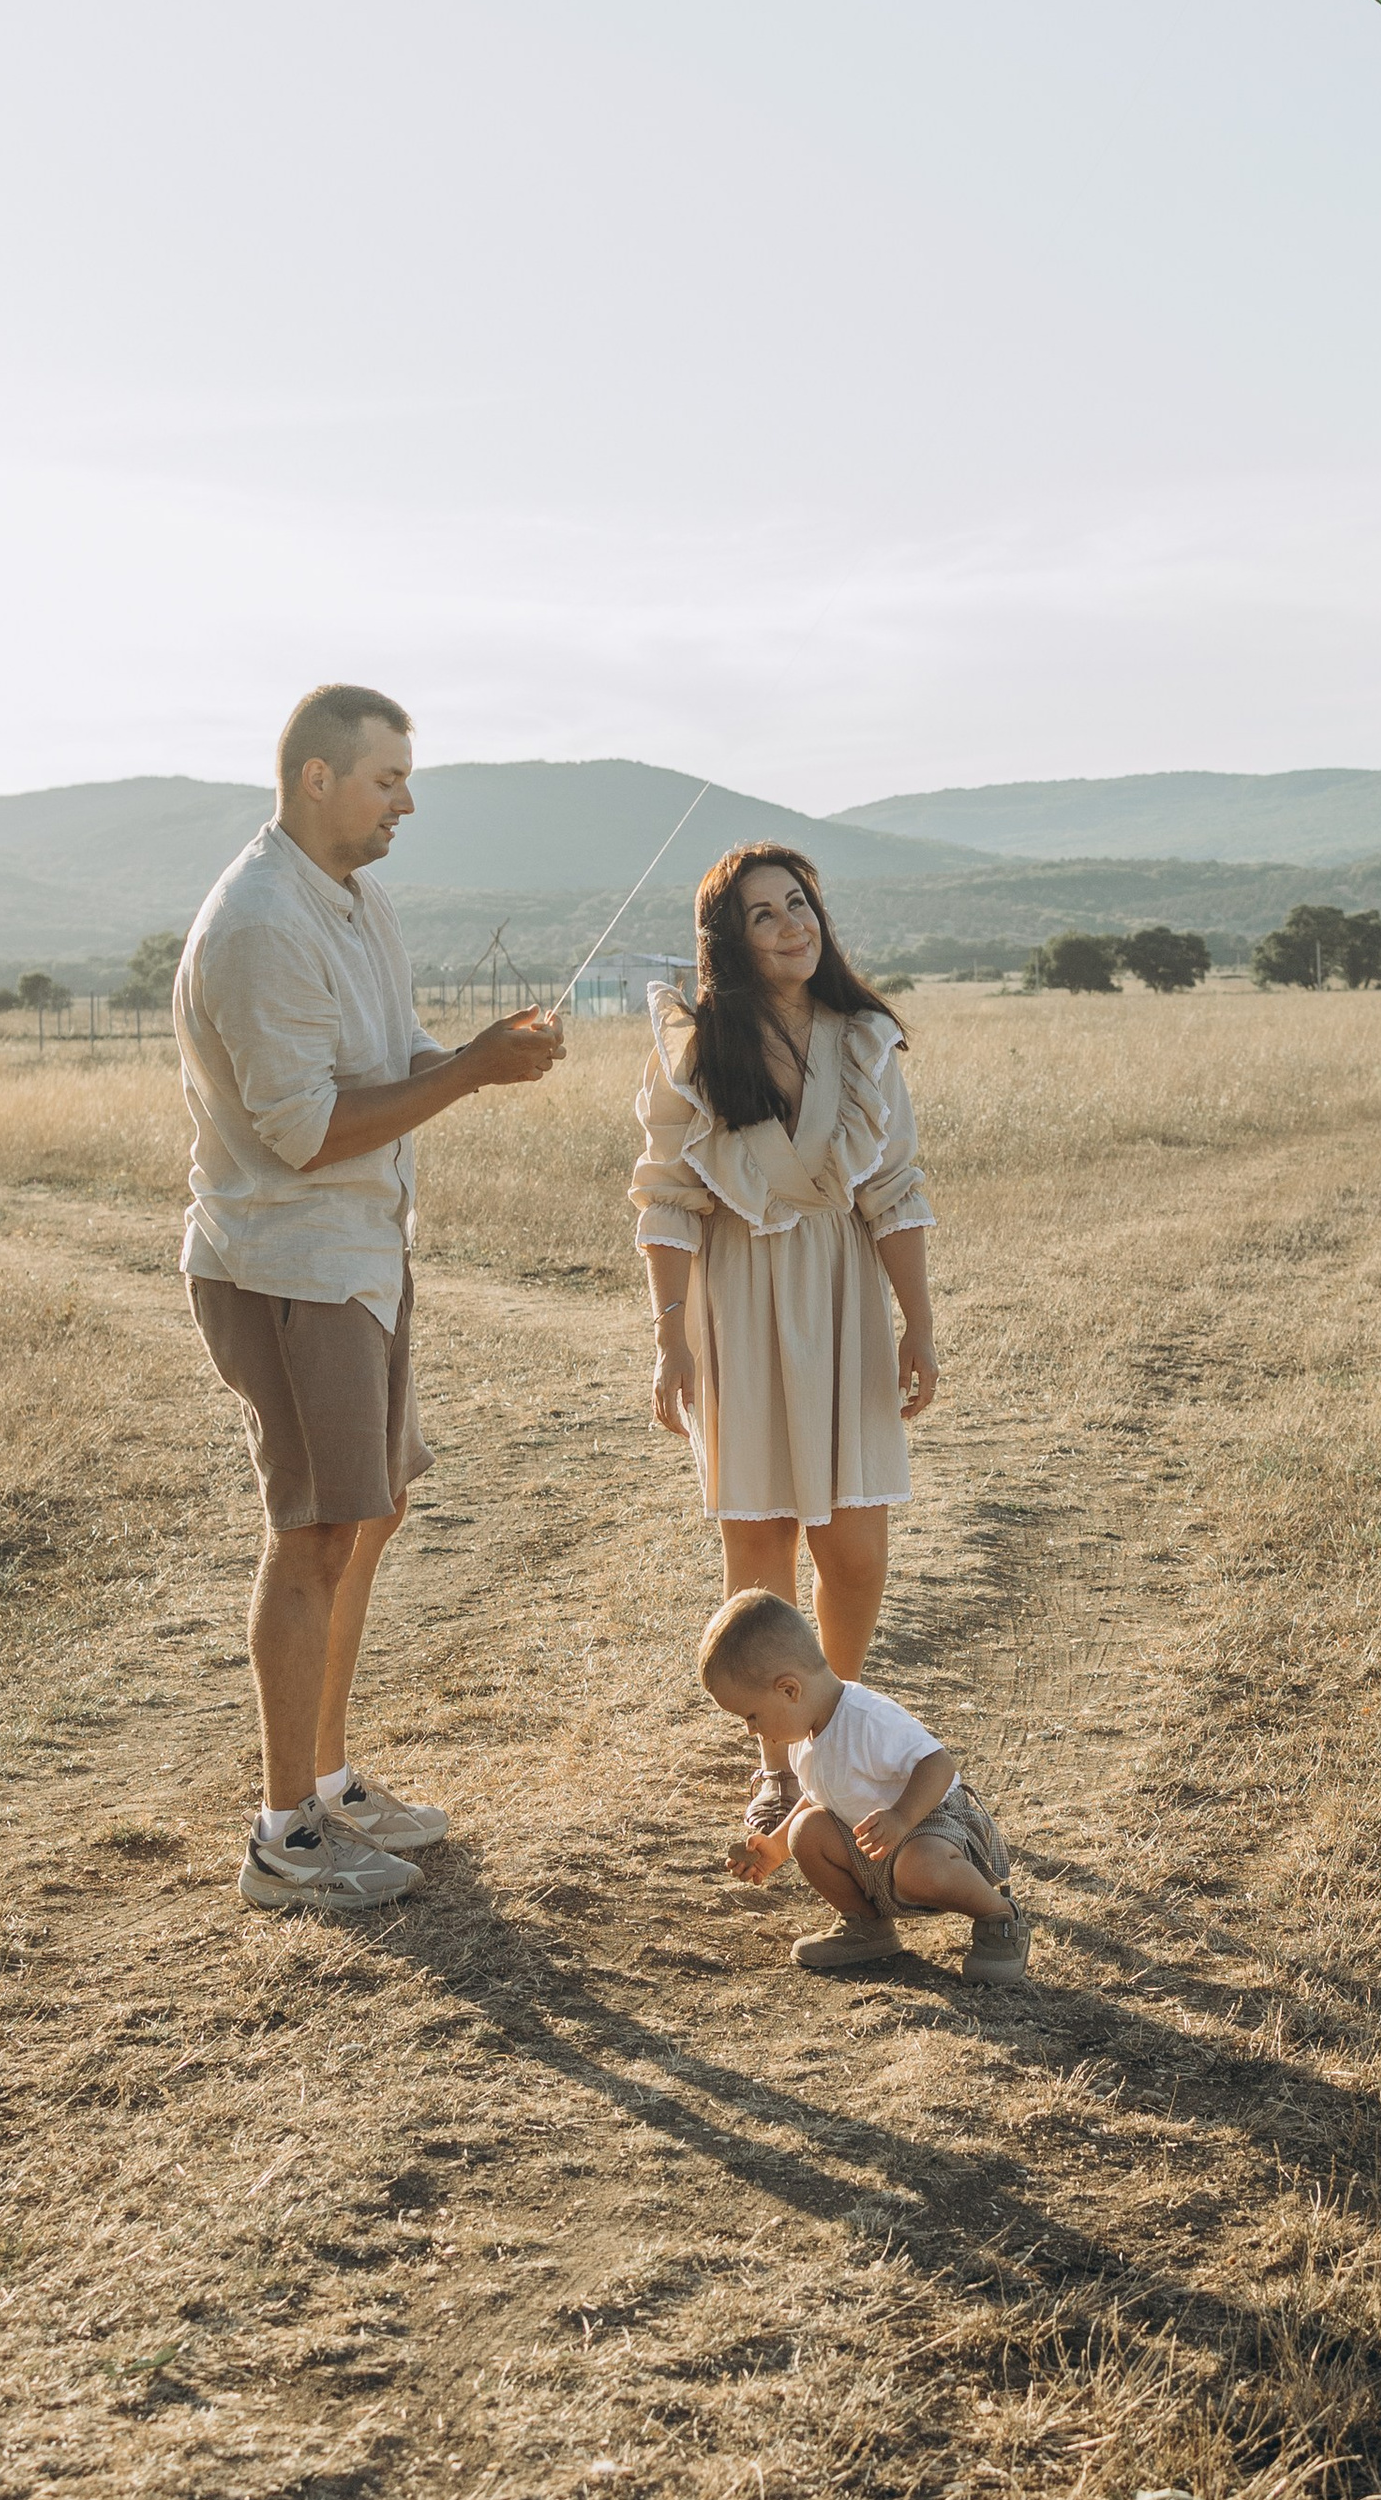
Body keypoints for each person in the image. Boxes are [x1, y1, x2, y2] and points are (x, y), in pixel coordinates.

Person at [176, 681, 564, 1917]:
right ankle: (283, 1836)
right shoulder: (256, 925)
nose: (409, 798)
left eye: (407, 775)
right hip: (286, 1266)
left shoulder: (355, 900)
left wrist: (475, 1056)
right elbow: (303, 1135)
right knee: (315, 1533)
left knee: (374, 1509)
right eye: (390, 776)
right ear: (316, 780)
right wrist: (474, 1077)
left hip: (361, 1257)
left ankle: (332, 1786)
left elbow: (386, 1068)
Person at [631, 844, 937, 1836]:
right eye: (762, 915)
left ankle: (834, 1752)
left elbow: (893, 1191)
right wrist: (669, 1335)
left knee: (853, 1553)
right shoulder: (693, 1047)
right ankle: (774, 1767)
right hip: (736, 1301)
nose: (790, 925)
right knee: (758, 1548)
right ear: (730, 937)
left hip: (842, 1295)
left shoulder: (861, 1041)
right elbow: (667, 1196)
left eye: (798, 904)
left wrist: (917, 1323)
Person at [698, 1587, 1030, 1981]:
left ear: (789, 1690)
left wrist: (901, 1818)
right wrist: (775, 1848)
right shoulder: (804, 1739)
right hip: (876, 1845)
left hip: (934, 1825)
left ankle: (999, 1917)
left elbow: (938, 1765)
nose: (750, 1730)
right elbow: (816, 1797)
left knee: (917, 1867)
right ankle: (866, 1926)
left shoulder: (866, 1717)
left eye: (751, 1716)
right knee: (805, 1832)